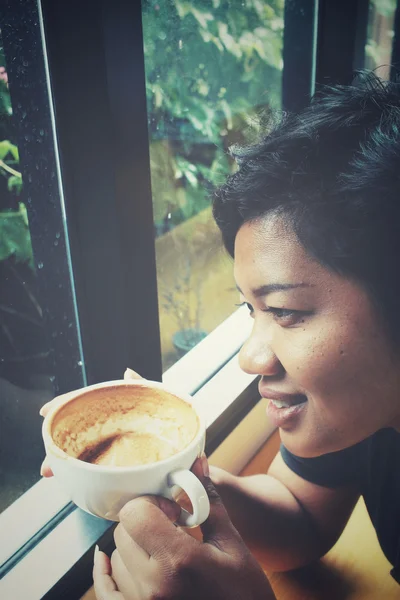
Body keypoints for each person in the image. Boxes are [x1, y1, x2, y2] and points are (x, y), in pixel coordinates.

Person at [40, 72, 400, 598]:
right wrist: (161, 474)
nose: (251, 358)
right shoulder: (365, 411)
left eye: (287, 311)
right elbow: (300, 516)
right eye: (248, 309)